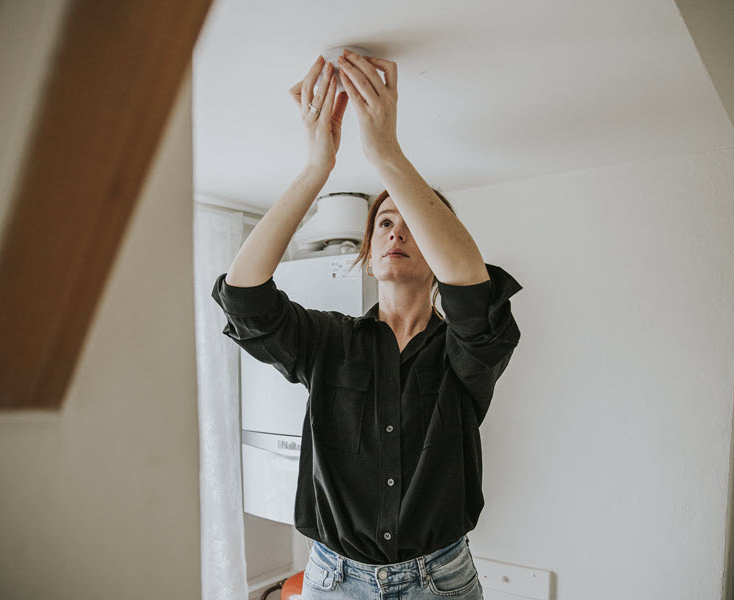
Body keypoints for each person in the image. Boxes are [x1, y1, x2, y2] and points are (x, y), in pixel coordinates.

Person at [211, 49, 522, 599]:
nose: (396, 233)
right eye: (383, 222)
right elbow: (243, 299)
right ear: (367, 249)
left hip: (440, 583)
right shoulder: (327, 341)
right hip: (333, 581)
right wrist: (316, 169)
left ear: (438, 251)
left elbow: (473, 294)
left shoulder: (470, 350)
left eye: (412, 223)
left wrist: (386, 156)